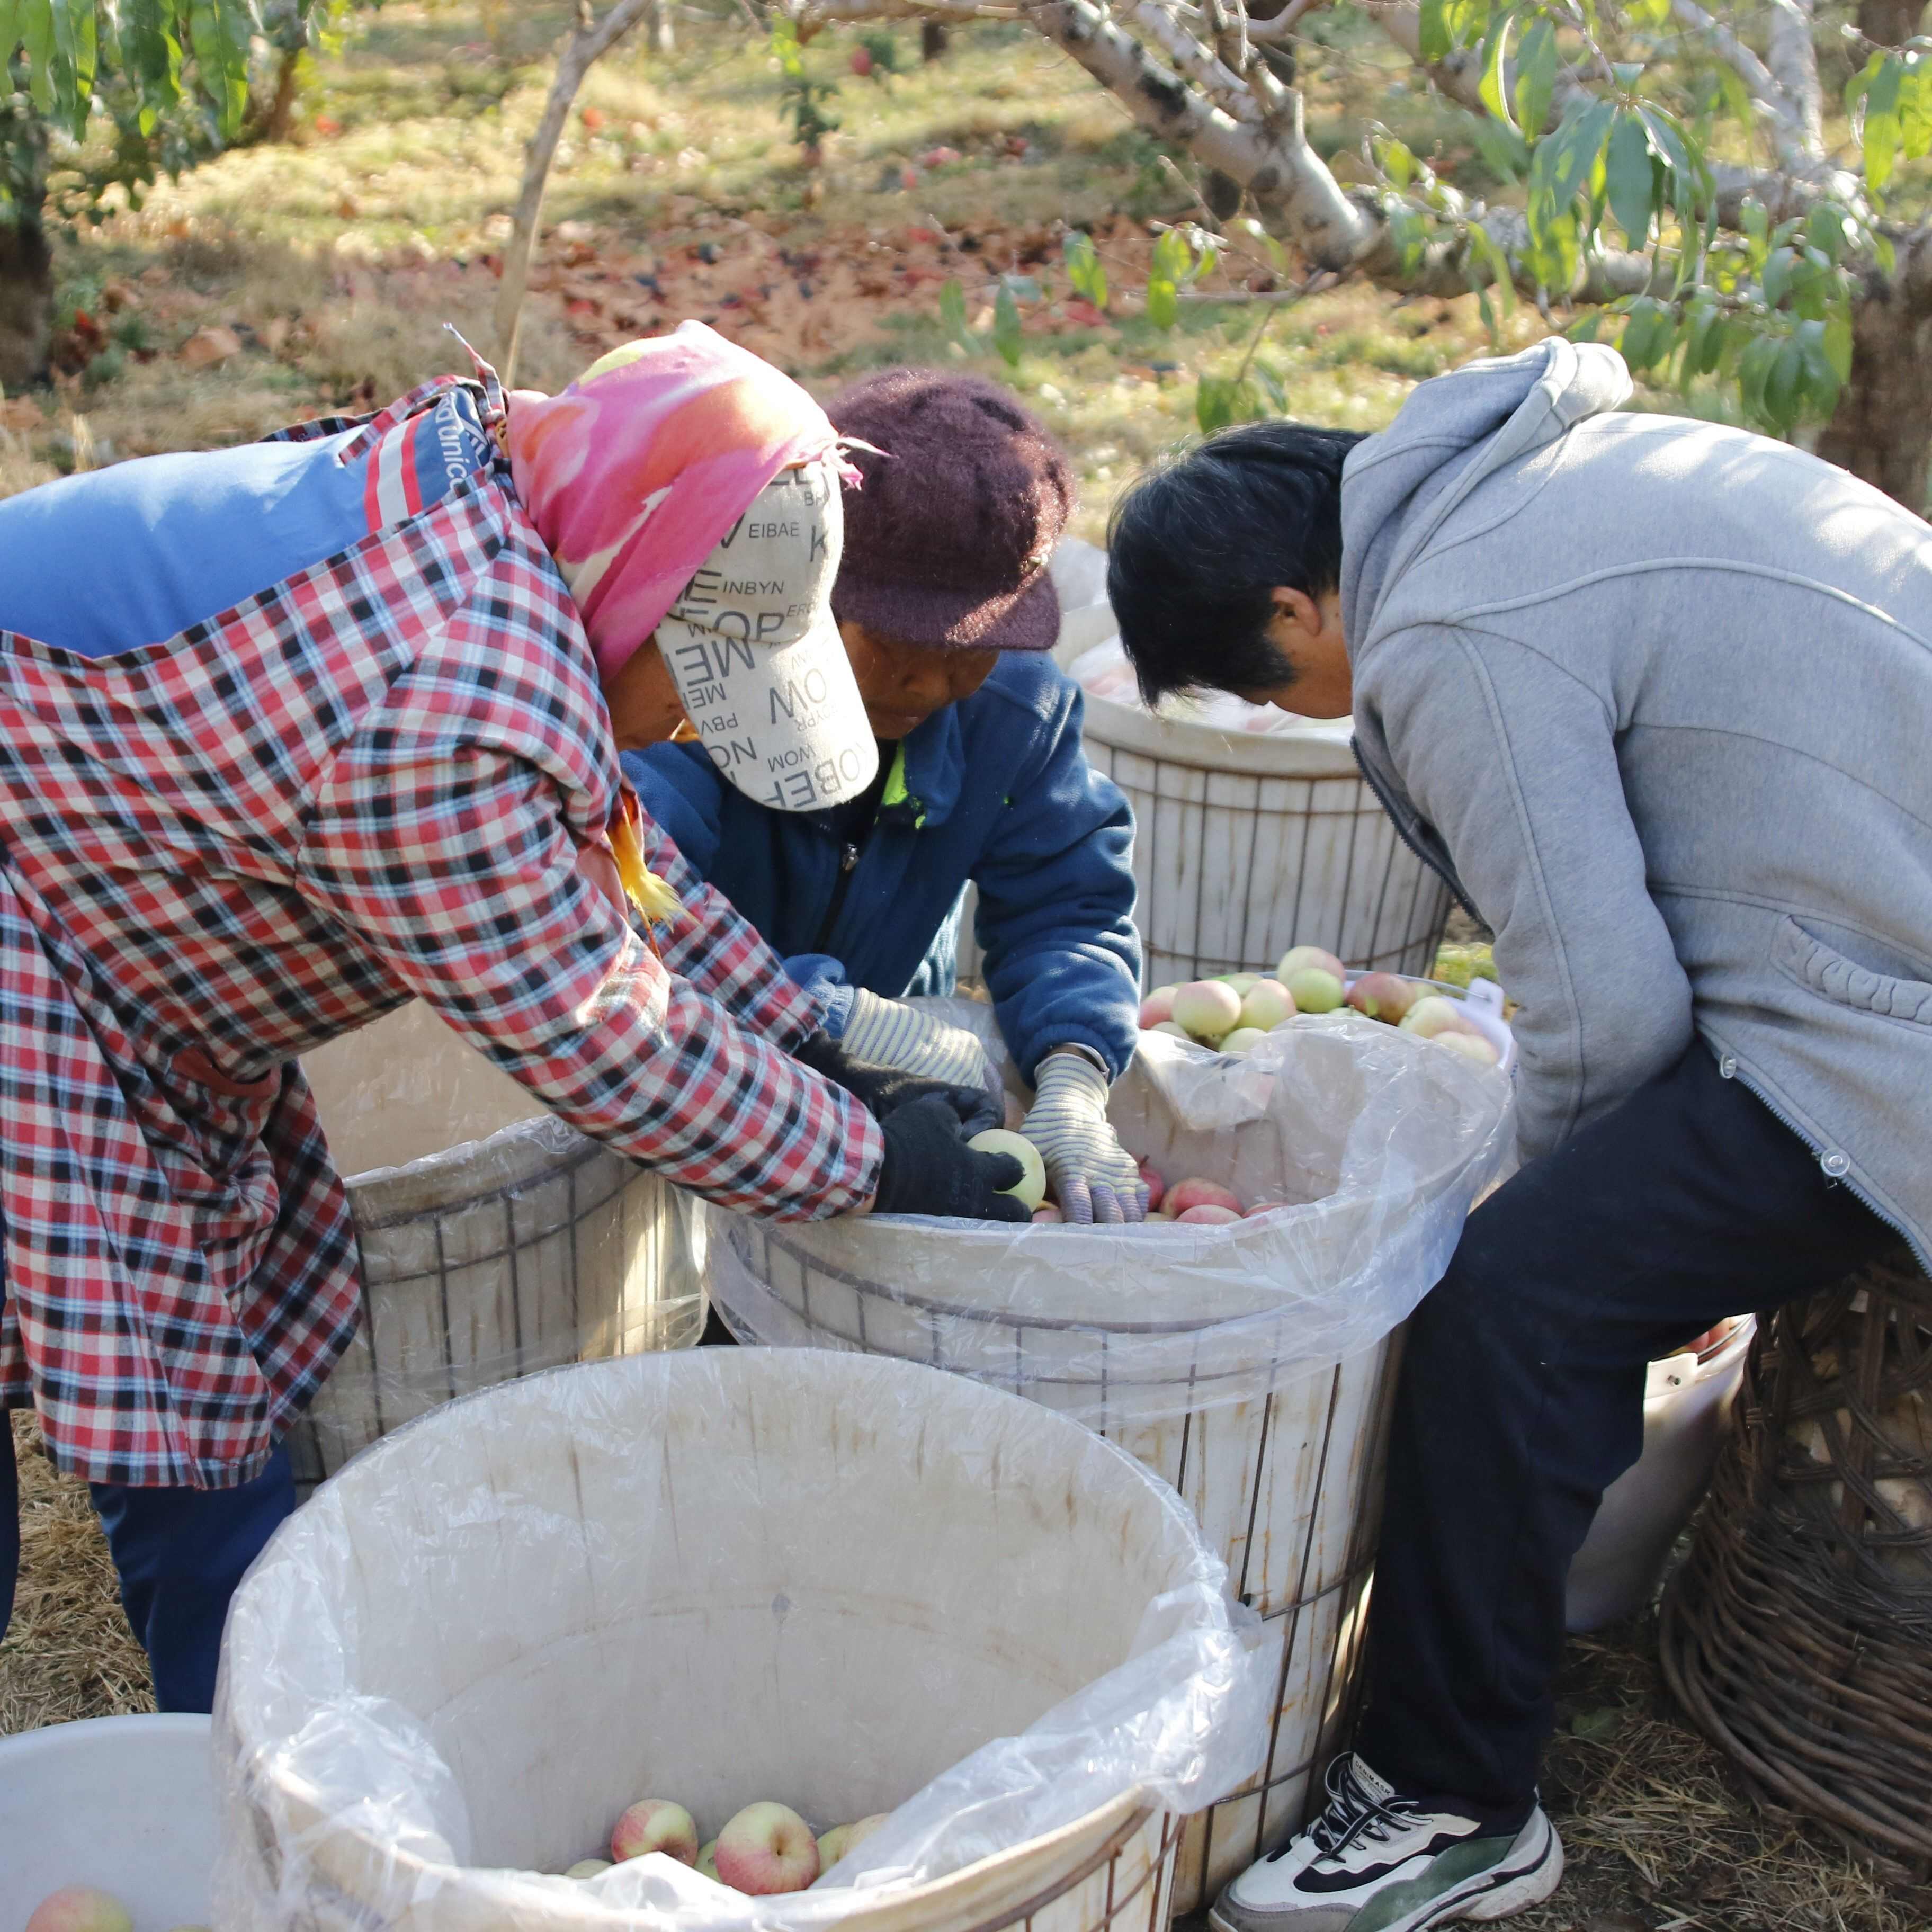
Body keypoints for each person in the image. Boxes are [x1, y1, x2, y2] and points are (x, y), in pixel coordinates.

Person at [0, 322, 1027, 1714]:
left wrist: (805, 1026)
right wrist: (870, 1161)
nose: (683, 730)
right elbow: (609, 1041)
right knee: (186, 1408)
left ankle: (244, 1727)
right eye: (699, 680)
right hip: (40, 935)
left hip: (87, 906)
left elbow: (615, 871)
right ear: (643, 598)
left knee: (194, 1378)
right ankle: (244, 1768)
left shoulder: (526, 517)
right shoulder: (444, 717)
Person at [1103, 336, 1928, 1932]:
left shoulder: (1451, 620)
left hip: (1881, 1025)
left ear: (1295, 613)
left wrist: (1546, 1207)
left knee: (1513, 1300)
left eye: (1260, 686)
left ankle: (1446, 1794)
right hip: (1871, 937)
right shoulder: (1540, 480)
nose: (1293, 713)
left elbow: (1605, 1012)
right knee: (1569, 1240)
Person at [627, 369, 1146, 1228]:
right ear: (808, 591)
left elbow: (1069, 902)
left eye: (970, 648)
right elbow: (627, 900)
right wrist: (816, 1010)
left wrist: (1073, 1072)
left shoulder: (1013, 710)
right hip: (699, 1070)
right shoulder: (698, 692)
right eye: (896, 642)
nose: (930, 683)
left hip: (895, 1050)